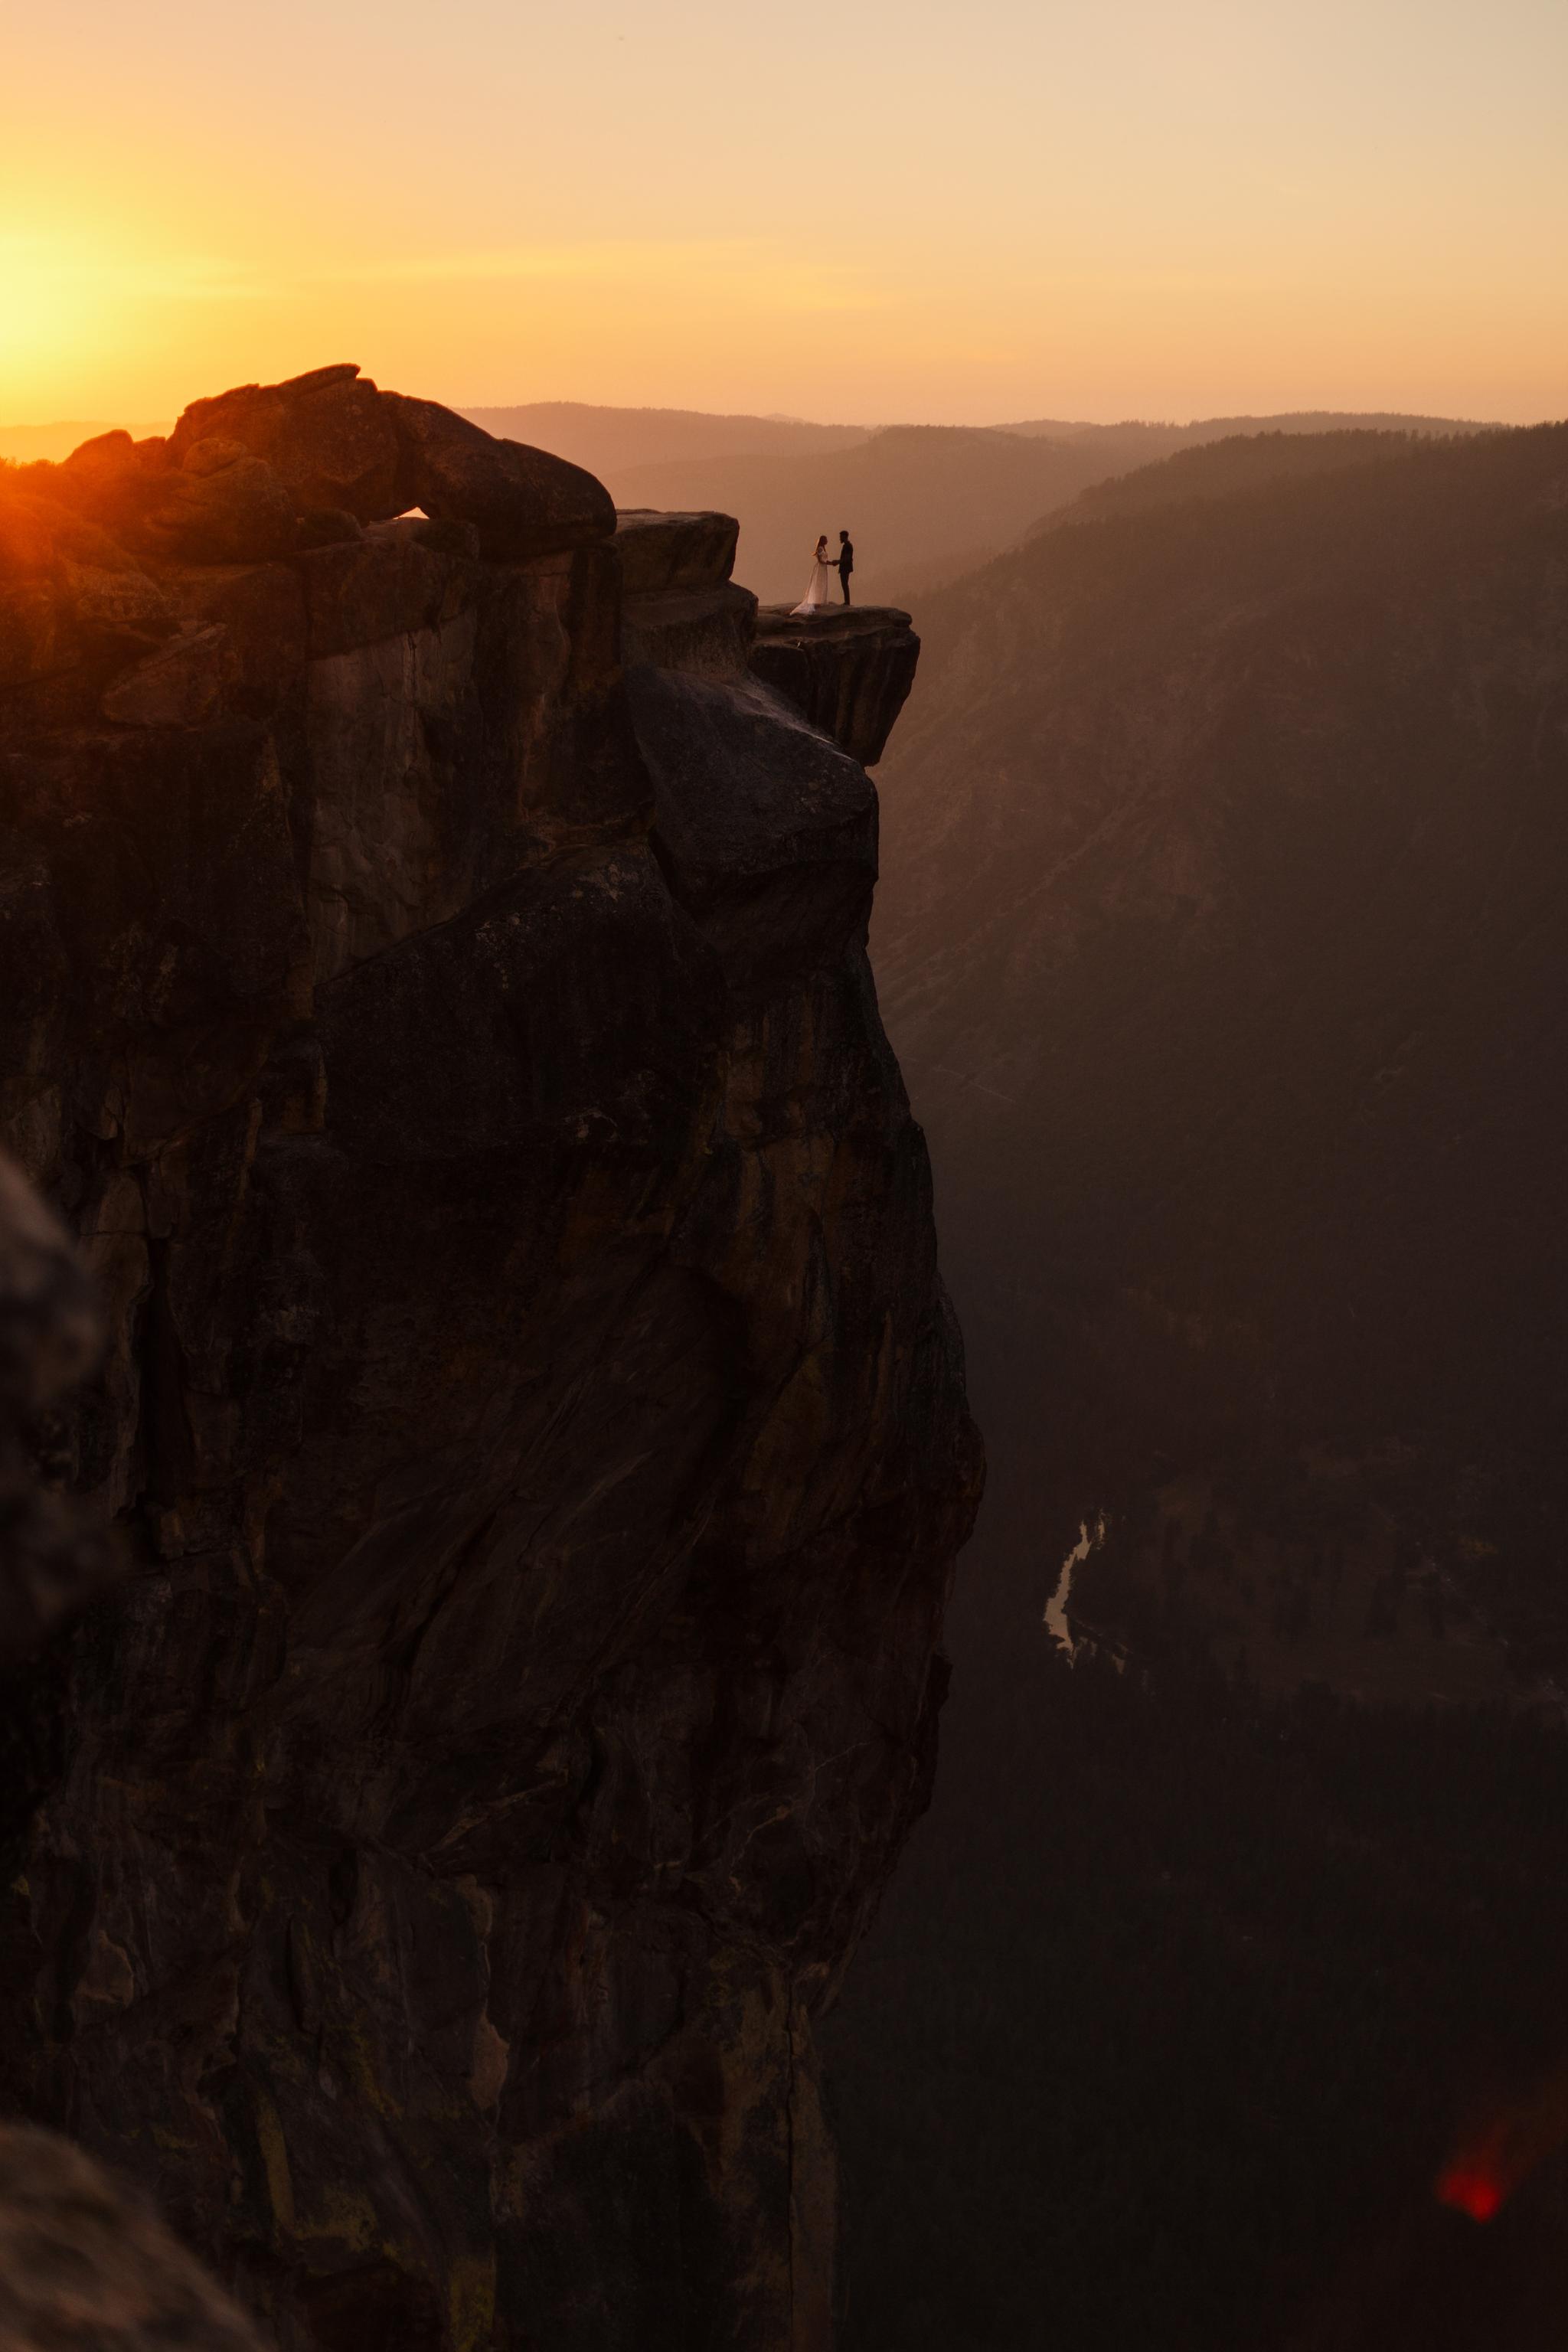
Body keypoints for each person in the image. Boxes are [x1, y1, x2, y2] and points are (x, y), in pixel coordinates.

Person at [790, 534, 837, 616]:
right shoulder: (820, 549)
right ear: (823, 540)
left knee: (822, 583)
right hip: (820, 568)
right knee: (818, 583)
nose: (827, 541)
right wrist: (831, 563)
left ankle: (820, 600)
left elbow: (824, 560)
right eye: (826, 539)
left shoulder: (823, 548)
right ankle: (817, 600)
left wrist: (830, 563)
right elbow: (820, 560)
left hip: (823, 568)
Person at [837, 528, 854, 604]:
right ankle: (847, 601)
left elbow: (846, 558)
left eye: (841, 537)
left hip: (845, 568)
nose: (840, 538)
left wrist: (837, 562)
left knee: (845, 584)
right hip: (845, 568)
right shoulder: (847, 545)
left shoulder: (847, 546)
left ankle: (847, 602)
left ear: (844, 536)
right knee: (844, 584)